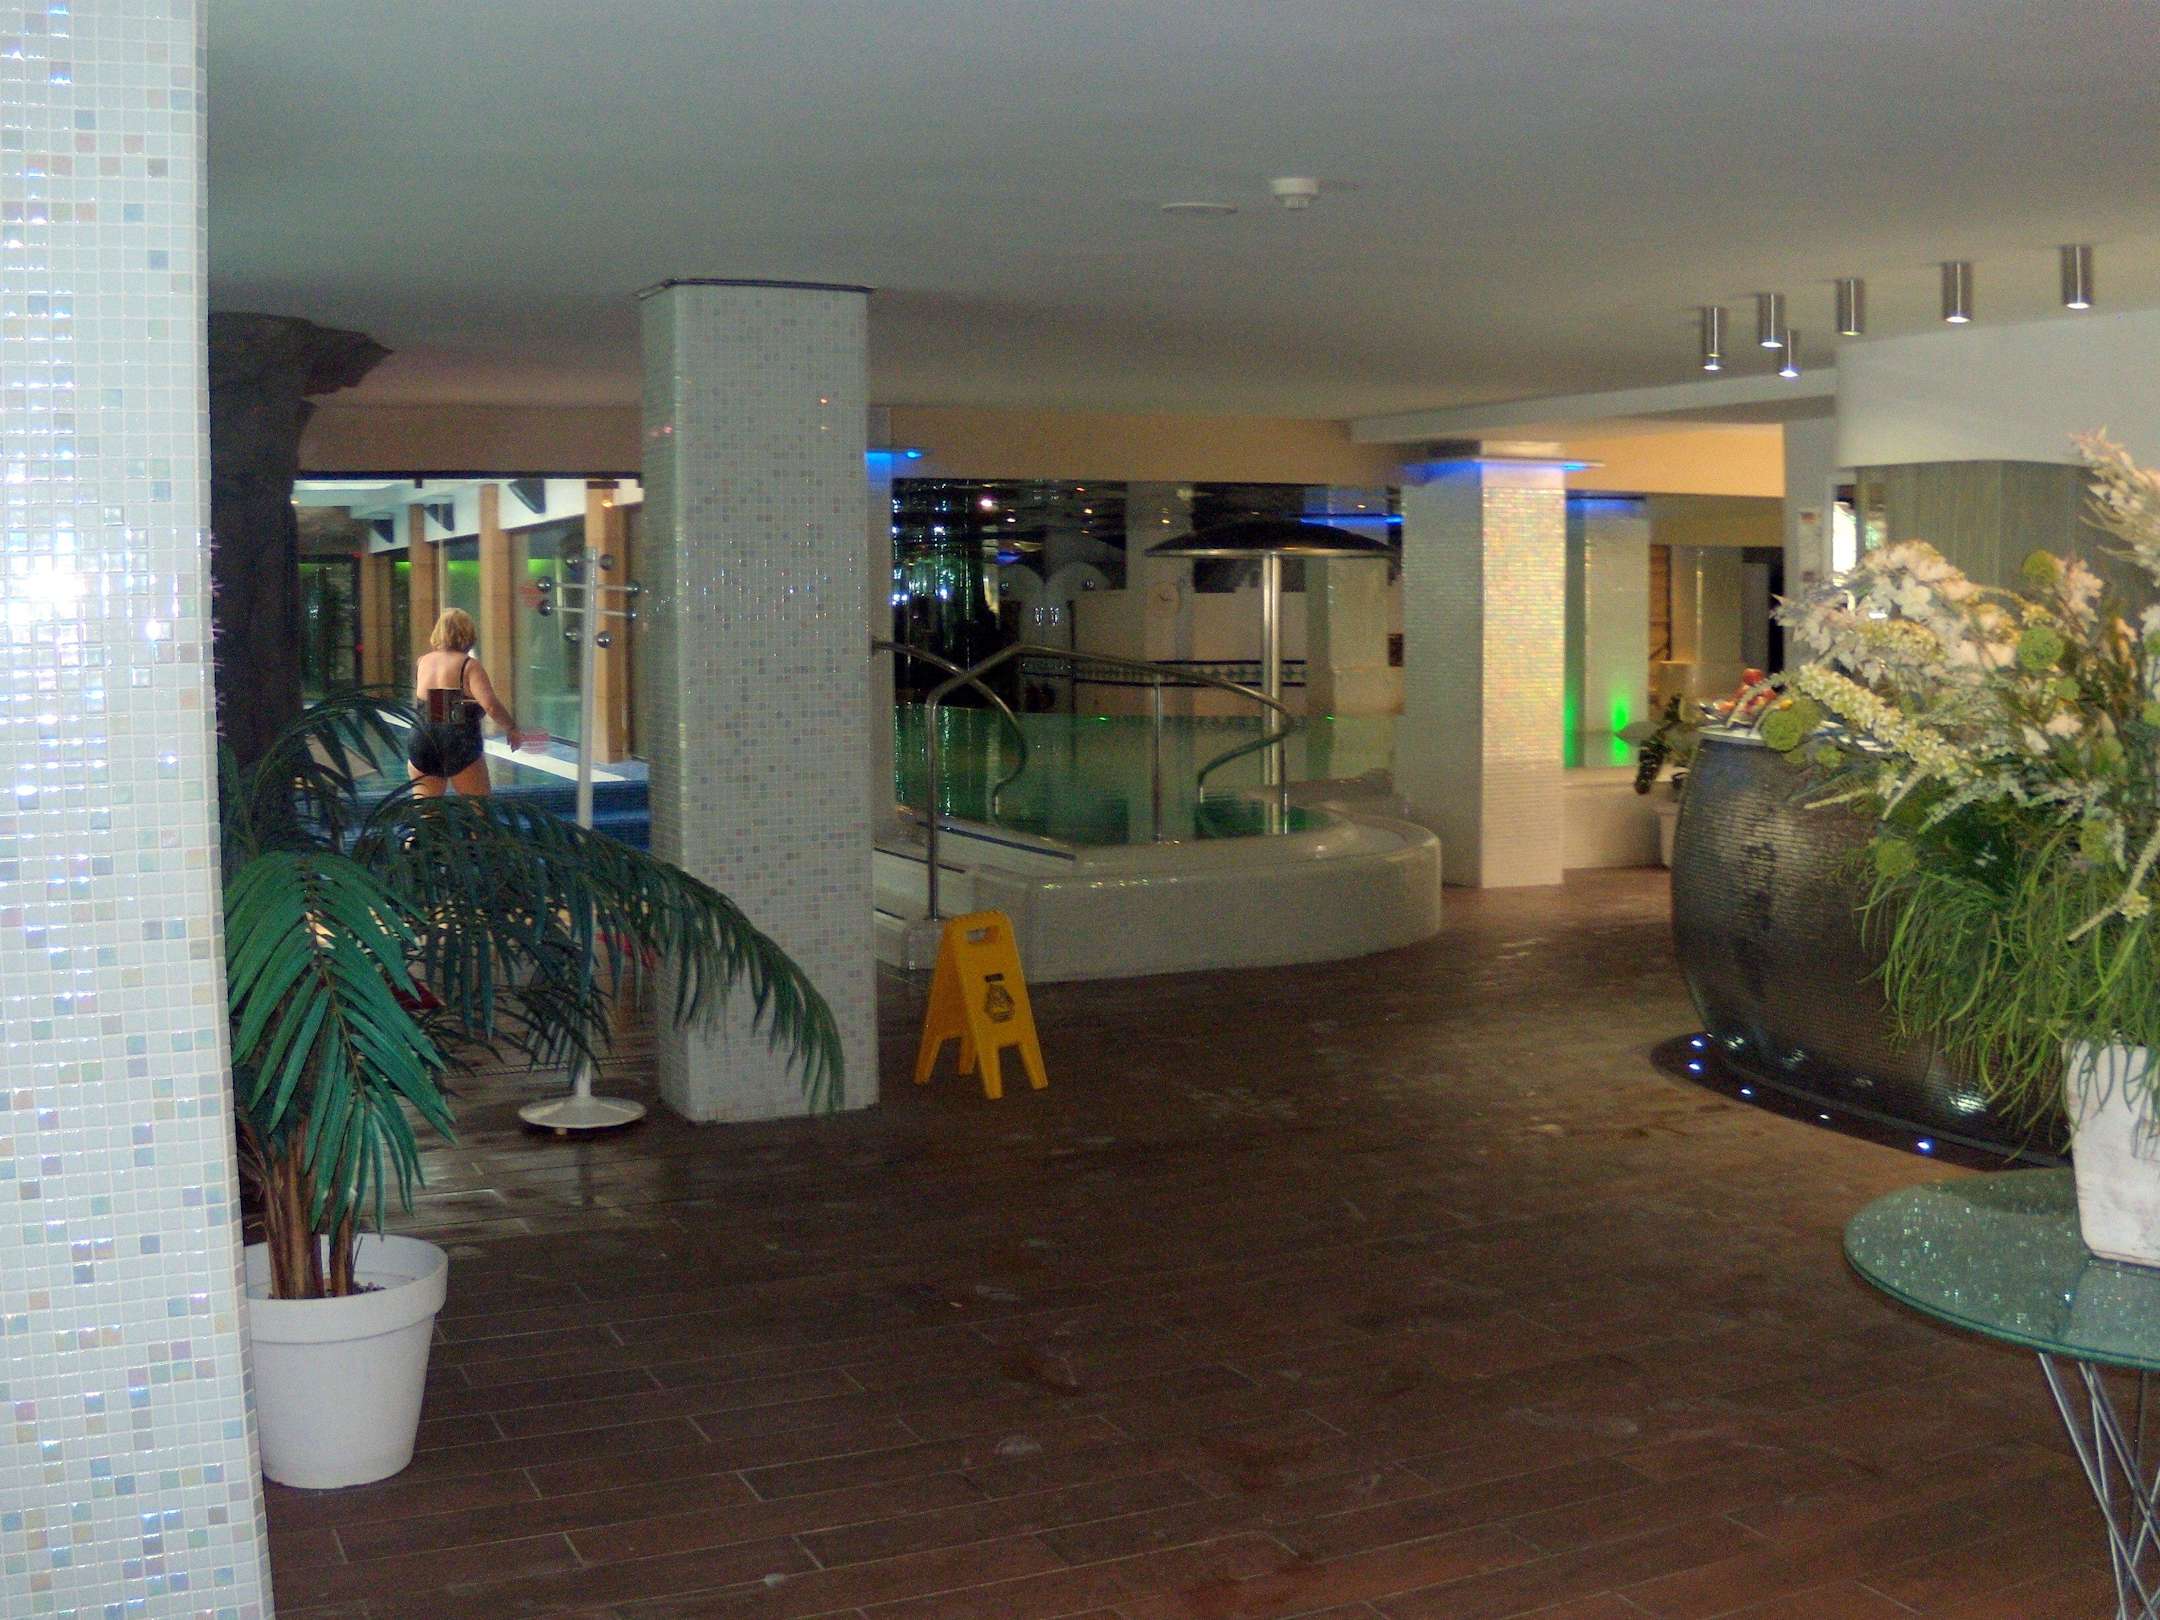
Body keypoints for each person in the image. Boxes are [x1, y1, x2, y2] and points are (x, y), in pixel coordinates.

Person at [407, 609, 535, 796]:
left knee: (427, 810)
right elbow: (490, 705)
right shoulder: (468, 665)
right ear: (468, 633)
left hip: (422, 739)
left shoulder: (423, 662)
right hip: (457, 742)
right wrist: (511, 727)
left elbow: (437, 707)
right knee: (478, 808)